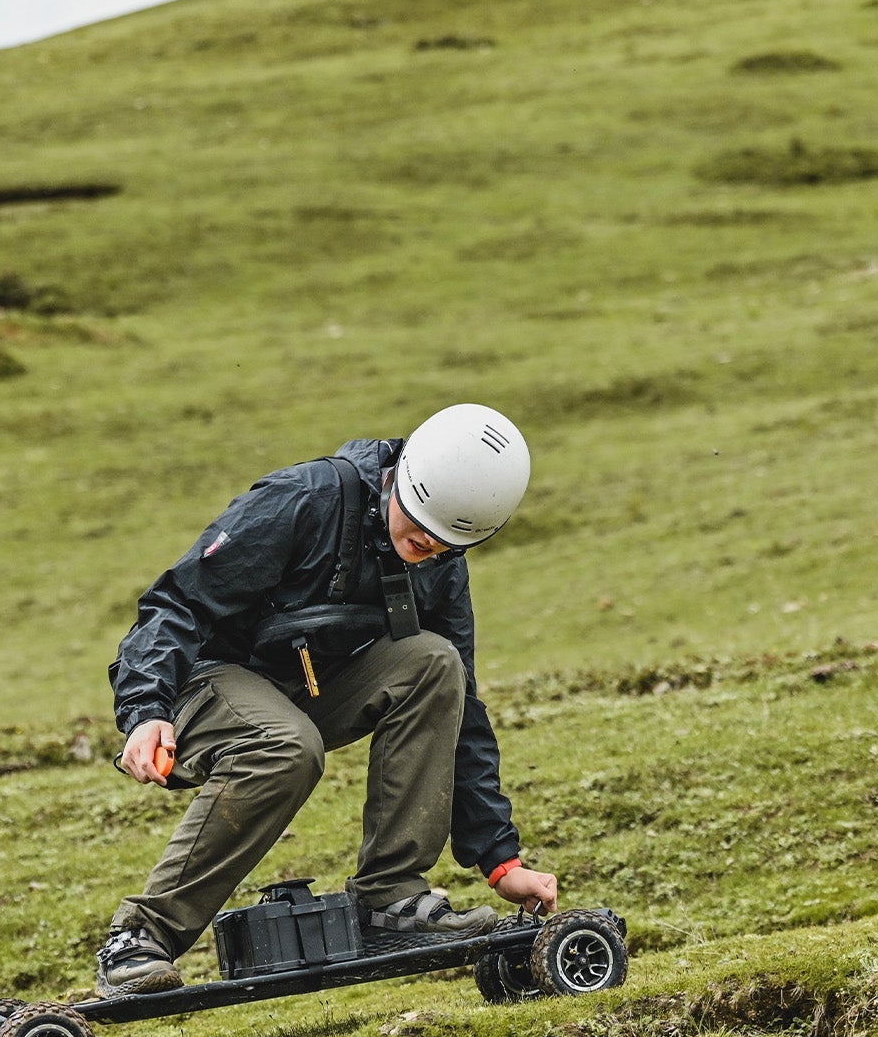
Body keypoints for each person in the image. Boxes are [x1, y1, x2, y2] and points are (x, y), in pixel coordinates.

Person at [96, 403, 560, 996]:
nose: (422, 546)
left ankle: (391, 899)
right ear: (398, 481)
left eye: (442, 544)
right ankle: (139, 938)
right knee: (288, 746)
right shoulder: (305, 499)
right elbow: (175, 605)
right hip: (199, 680)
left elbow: (461, 710)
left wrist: (502, 861)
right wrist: (145, 710)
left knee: (436, 663)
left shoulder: (442, 563)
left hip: (301, 689)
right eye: (415, 526)